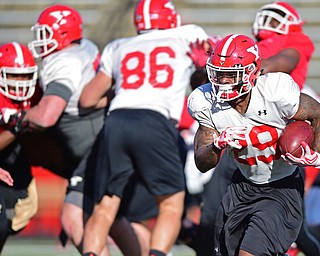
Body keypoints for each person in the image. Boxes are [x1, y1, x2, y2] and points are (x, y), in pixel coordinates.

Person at [4, 5, 143, 256]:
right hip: (106, 140)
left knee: (73, 216)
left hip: (97, 147)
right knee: (113, 218)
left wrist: (13, 117)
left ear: (63, 35)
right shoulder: (84, 48)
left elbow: (47, 117)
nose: (40, 40)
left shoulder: (64, 62)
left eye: (46, 33)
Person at [79, 0, 209, 255]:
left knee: (105, 206)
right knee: (171, 204)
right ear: (170, 18)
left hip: (116, 119)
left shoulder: (118, 46)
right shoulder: (187, 34)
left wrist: (128, 91)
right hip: (155, 120)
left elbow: (88, 99)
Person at [190, 2, 318, 255]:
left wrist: (316, 153)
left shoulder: (275, 87)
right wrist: (217, 145)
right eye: (218, 74)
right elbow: (202, 161)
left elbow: (316, 111)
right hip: (242, 183)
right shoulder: (205, 100)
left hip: (281, 182)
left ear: (251, 72)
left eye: (231, 74)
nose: (223, 82)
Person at [0, 41, 40, 252]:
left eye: (25, 75)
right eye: (14, 75)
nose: (21, 82)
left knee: (20, 209)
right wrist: (16, 127)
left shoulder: (34, 93)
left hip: (11, 155)